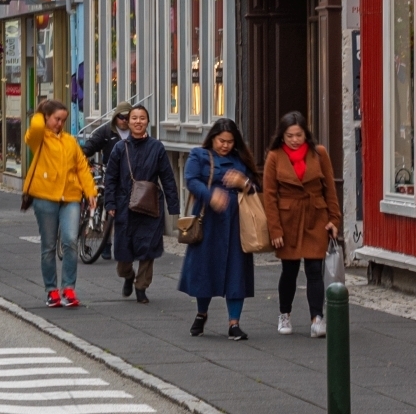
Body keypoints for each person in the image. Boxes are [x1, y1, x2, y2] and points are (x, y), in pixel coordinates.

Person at [262, 112, 341, 336]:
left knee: (315, 269)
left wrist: (334, 219)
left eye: (299, 135)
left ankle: (317, 318)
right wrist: (275, 228)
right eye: (290, 135)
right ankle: (284, 314)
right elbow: (269, 196)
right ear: (282, 136)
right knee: (289, 270)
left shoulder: (319, 154)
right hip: (288, 220)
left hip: (316, 216)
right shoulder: (274, 157)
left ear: (306, 134)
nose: (295, 140)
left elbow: (330, 189)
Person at [179, 116, 259, 339]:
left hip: (236, 223)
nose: (225, 145)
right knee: (205, 268)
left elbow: (254, 186)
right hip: (208, 221)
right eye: (221, 140)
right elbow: (191, 179)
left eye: (230, 141)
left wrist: (242, 183)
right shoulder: (200, 155)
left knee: (237, 270)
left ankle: (234, 323)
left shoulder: (239, 159)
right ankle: (201, 313)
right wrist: (210, 195)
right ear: (213, 138)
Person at [20, 99, 96, 309]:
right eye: (56, 119)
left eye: (63, 120)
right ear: (46, 118)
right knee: (48, 245)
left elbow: (82, 166)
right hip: (44, 197)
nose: (60, 124)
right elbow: (34, 128)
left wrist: (90, 191)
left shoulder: (70, 141)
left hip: (70, 197)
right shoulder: (39, 138)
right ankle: (51, 290)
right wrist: (40, 111)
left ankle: (68, 287)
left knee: (71, 240)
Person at [101, 104, 173, 302]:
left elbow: (167, 177)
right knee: (123, 254)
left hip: (150, 206)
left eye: (142, 118)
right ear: (128, 121)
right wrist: (110, 204)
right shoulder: (119, 148)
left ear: (147, 122)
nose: (138, 122)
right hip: (125, 205)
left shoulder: (156, 147)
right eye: (134, 118)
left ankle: (141, 287)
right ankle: (129, 276)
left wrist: (173, 206)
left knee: (147, 248)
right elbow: (111, 178)